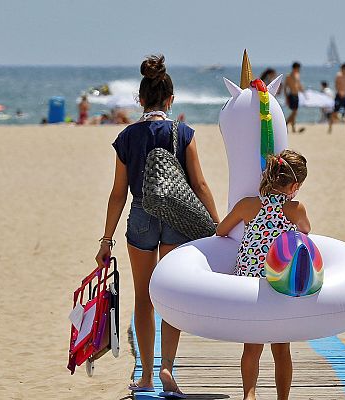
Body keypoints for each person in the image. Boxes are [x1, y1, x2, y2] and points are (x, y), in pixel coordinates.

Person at [95, 55, 220, 397]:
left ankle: (147, 376)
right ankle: (168, 368)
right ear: (170, 99)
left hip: (141, 216)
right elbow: (200, 184)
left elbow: (118, 193)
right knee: (172, 296)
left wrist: (106, 239)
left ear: (140, 99)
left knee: (145, 297)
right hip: (179, 216)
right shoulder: (183, 132)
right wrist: (217, 222)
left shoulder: (127, 137)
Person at [216, 150, 310, 400]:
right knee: (282, 348)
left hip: (250, 287)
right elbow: (307, 231)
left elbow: (221, 230)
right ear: (295, 185)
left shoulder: (248, 205)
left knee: (252, 346)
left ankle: (249, 395)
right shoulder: (295, 209)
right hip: (278, 284)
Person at [329, 63, 345, 133]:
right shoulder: (338, 75)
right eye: (341, 69)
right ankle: (330, 128)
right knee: (334, 112)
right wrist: (340, 92)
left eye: (343, 69)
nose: (342, 70)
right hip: (338, 96)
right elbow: (336, 85)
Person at [283, 62, 304, 133]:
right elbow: (285, 87)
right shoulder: (288, 76)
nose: (299, 69)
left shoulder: (297, 75)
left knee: (295, 112)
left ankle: (293, 128)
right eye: (298, 68)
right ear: (295, 68)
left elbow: (298, 85)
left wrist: (303, 91)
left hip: (297, 95)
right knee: (294, 112)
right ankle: (285, 124)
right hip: (291, 95)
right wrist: (286, 98)